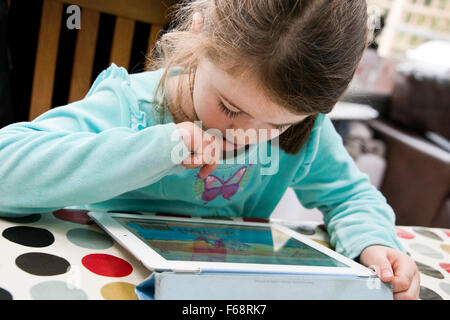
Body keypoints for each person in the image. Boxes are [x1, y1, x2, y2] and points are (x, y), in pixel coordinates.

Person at [0, 0, 419, 299]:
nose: (247, 136)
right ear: (199, 31)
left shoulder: (307, 131)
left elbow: (351, 195)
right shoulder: (132, 107)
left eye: (277, 125)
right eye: (230, 108)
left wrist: (373, 243)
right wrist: (158, 148)